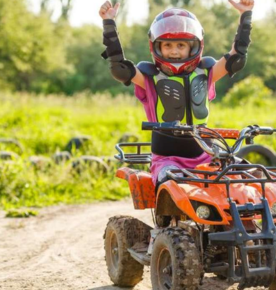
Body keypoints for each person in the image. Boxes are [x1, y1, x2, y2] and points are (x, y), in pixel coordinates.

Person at [99, 0, 255, 188]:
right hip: (167, 158)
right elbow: (120, 69)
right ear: (156, 47)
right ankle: (169, 216)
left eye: (181, 45)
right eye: (167, 45)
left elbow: (236, 59)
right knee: (171, 182)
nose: (174, 51)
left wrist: (245, 15)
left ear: (194, 46)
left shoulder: (206, 71)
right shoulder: (150, 77)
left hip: (206, 153)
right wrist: (109, 23)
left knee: (249, 175)